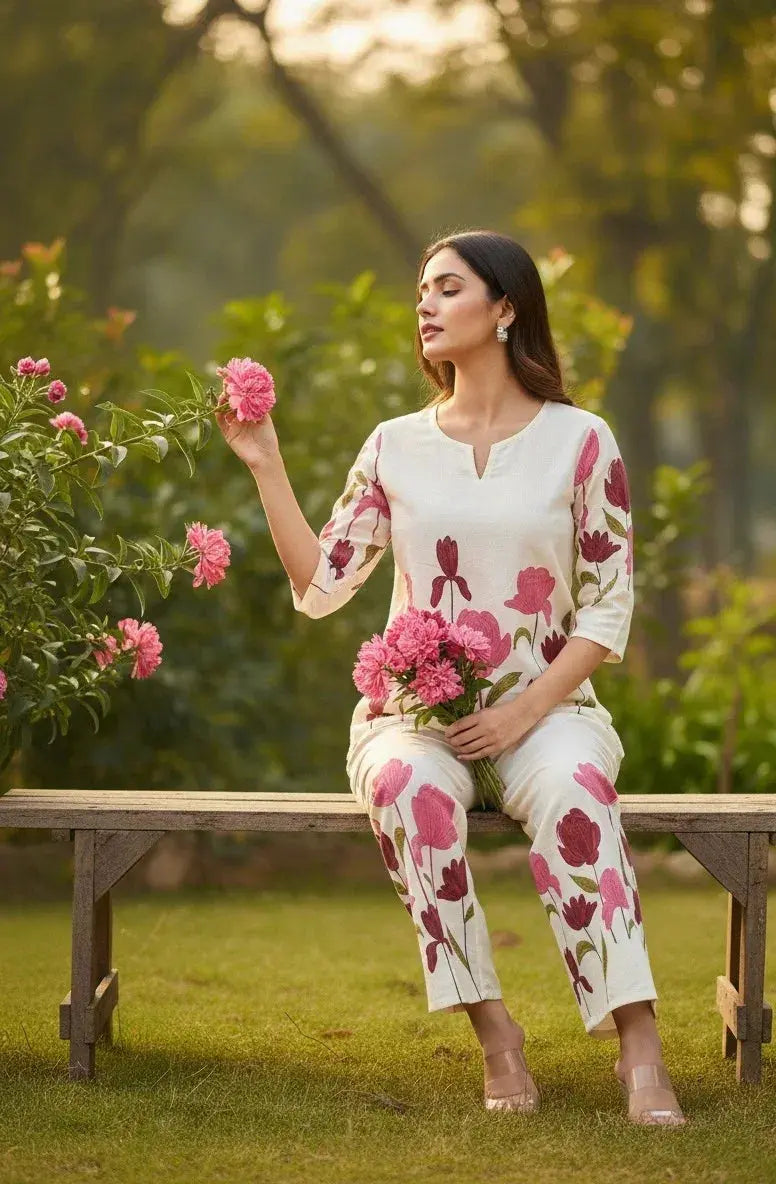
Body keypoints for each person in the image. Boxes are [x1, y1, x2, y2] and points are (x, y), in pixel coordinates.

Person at [215, 229, 687, 1126]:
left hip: (550, 711)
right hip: (411, 717)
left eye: (447, 288)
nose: (424, 305)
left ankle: (639, 1042)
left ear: (505, 308)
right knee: (404, 787)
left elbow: (607, 610)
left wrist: (524, 712)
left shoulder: (582, 441)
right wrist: (264, 463)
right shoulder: (394, 445)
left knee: (579, 794)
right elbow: (324, 588)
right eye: (420, 290)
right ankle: (496, 1034)